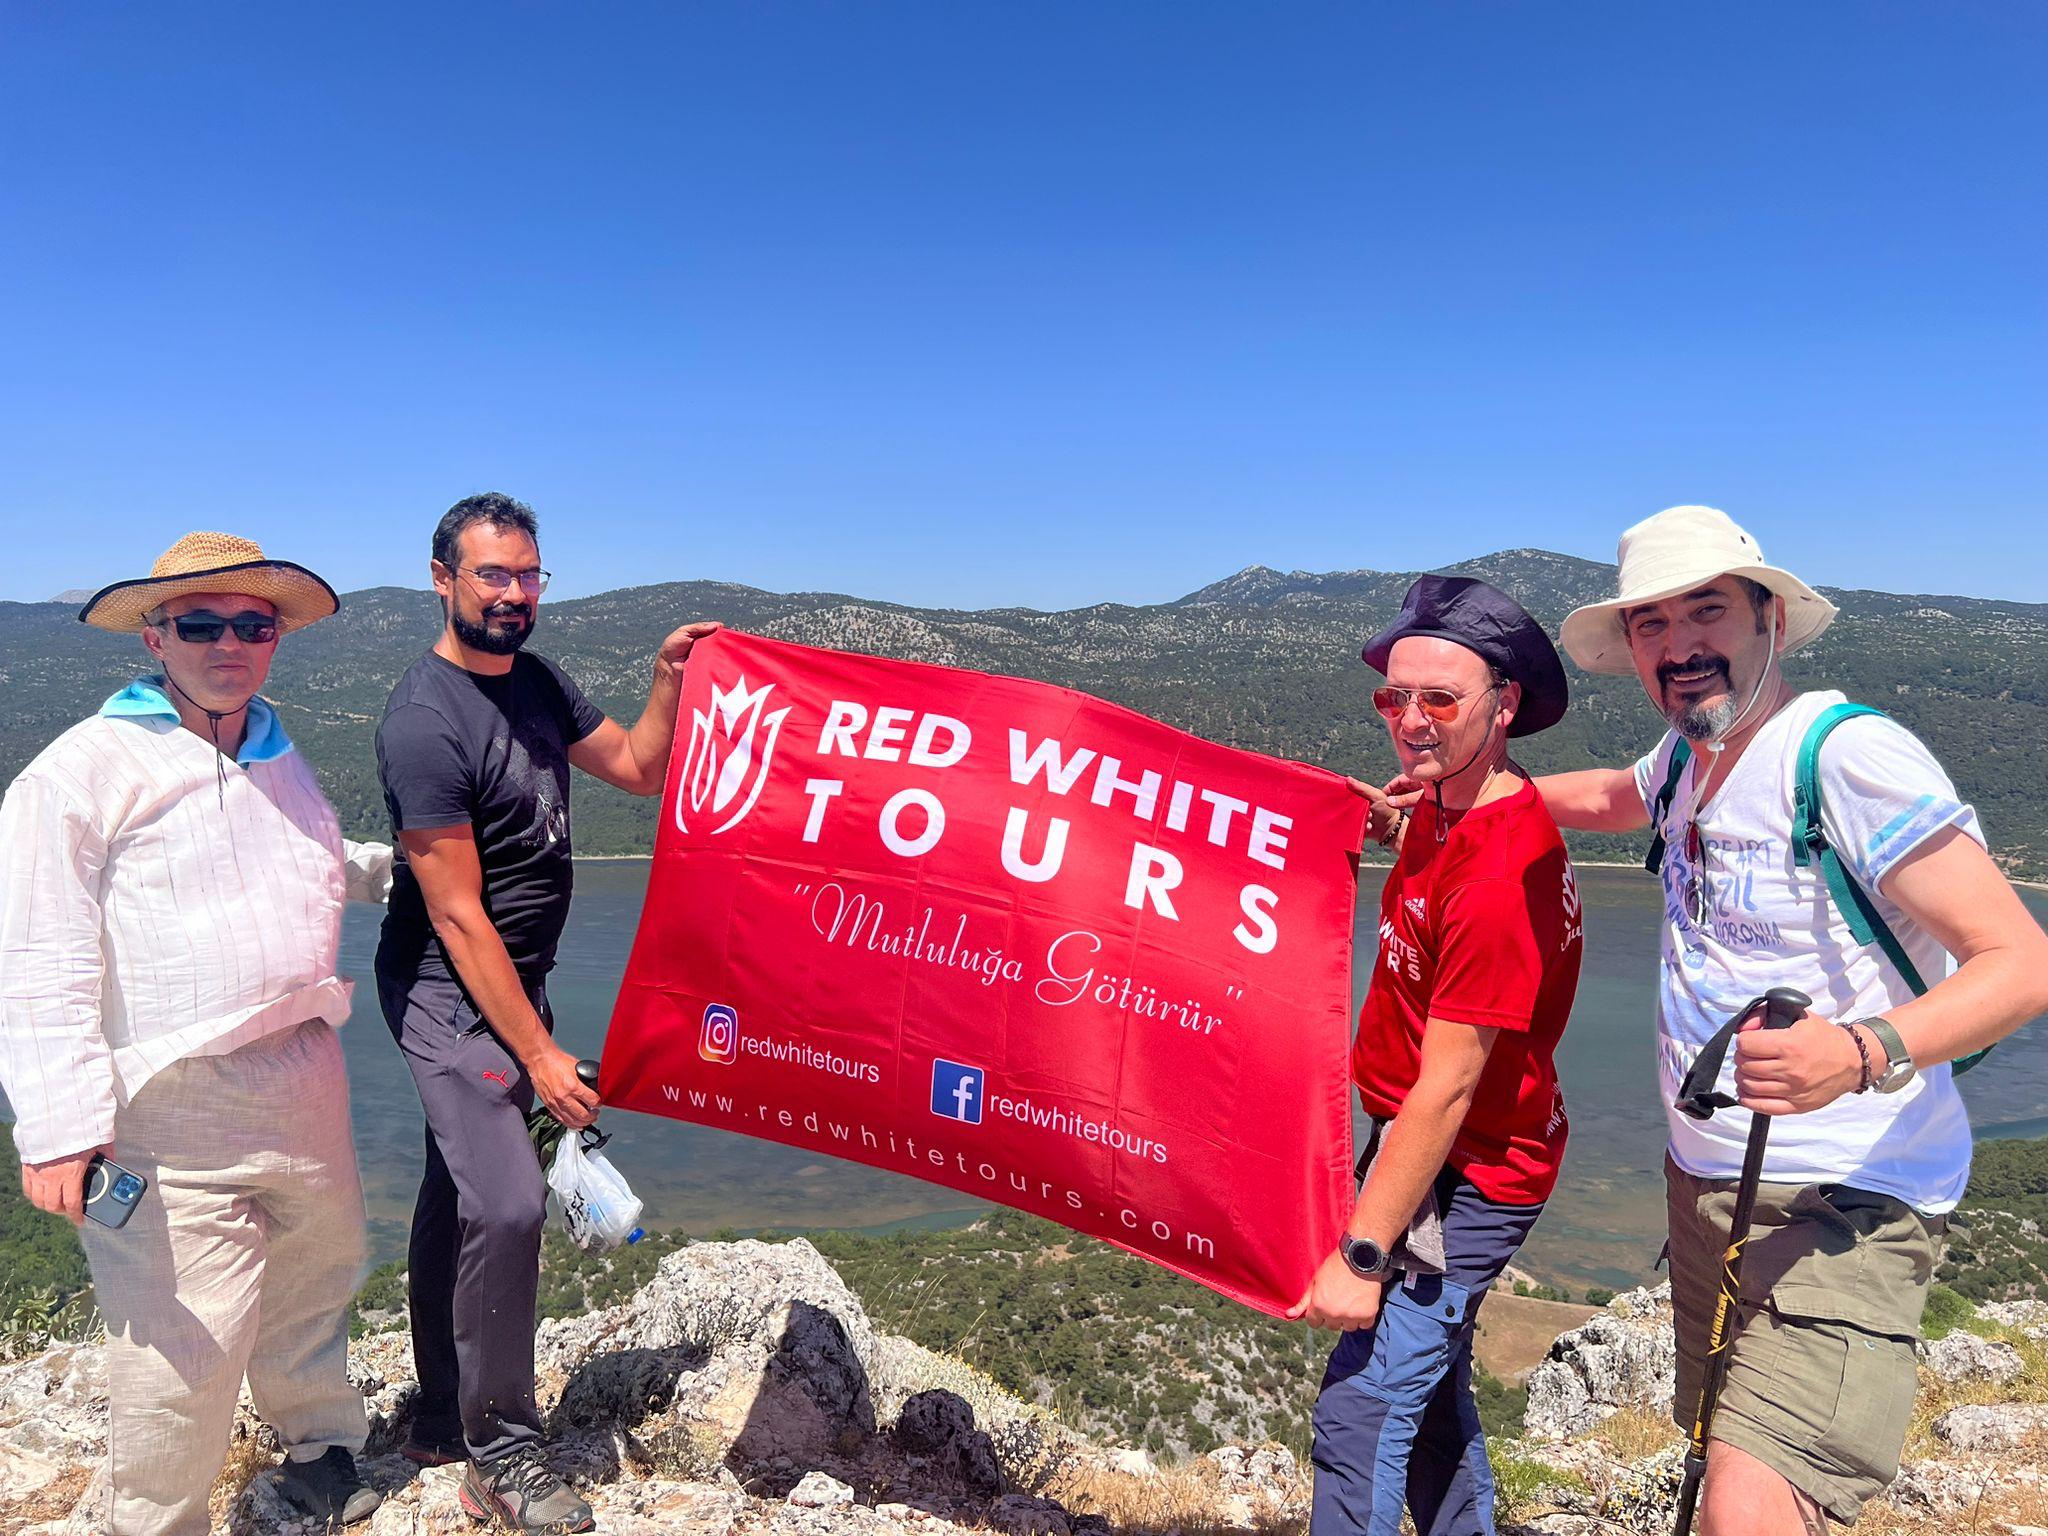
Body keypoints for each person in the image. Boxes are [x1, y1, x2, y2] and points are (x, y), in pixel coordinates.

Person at [1535, 505, 2048, 1535]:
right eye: (1651, 624)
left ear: (1768, 619)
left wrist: (1858, 1051)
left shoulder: (1844, 757)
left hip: (1844, 1202)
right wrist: (1459, 803)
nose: (1679, 645)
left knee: (1749, 1501)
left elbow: (2022, 962)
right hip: (1707, 1193)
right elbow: (1606, 796)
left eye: (1707, 611)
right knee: (1727, 1464)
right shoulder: (1686, 760)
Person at [0, 532, 392, 1534]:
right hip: (170, 1104)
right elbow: (38, 952)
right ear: (155, 638)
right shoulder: (82, 771)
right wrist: (58, 1128)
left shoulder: (273, 751)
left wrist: (392, 870)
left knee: (314, 1273)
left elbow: (300, 858)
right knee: (182, 1342)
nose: (229, 643)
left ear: (274, 639)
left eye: (252, 625)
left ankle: (319, 1445)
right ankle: (159, 1518)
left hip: (301, 1076)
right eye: (201, 623)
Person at [374, 492, 718, 1532]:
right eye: (493, 574)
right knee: (511, 1201)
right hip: (446, 992)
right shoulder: (423, 720)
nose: (514, 594)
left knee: (457, 1188)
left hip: (514, 983)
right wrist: (540, 1055)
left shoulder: (538, 681)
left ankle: (440, 1413)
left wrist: (667, 679)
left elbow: (640, 770)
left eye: (529, 575)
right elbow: (455, 914)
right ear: (444, 579)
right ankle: (503, 1457)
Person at [1291, 575, 1582, 1536]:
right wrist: (1401, 822)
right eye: (1394, 697)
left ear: (1505, 704)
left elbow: (1450, 1087)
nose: (1411, 721)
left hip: (1468, 1170)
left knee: (1363, 1412)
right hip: (1434, 1145)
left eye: (1441, 700)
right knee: (1430, 1412)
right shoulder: (1452, 804)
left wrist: (1363, 1254)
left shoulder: (1498, 873)